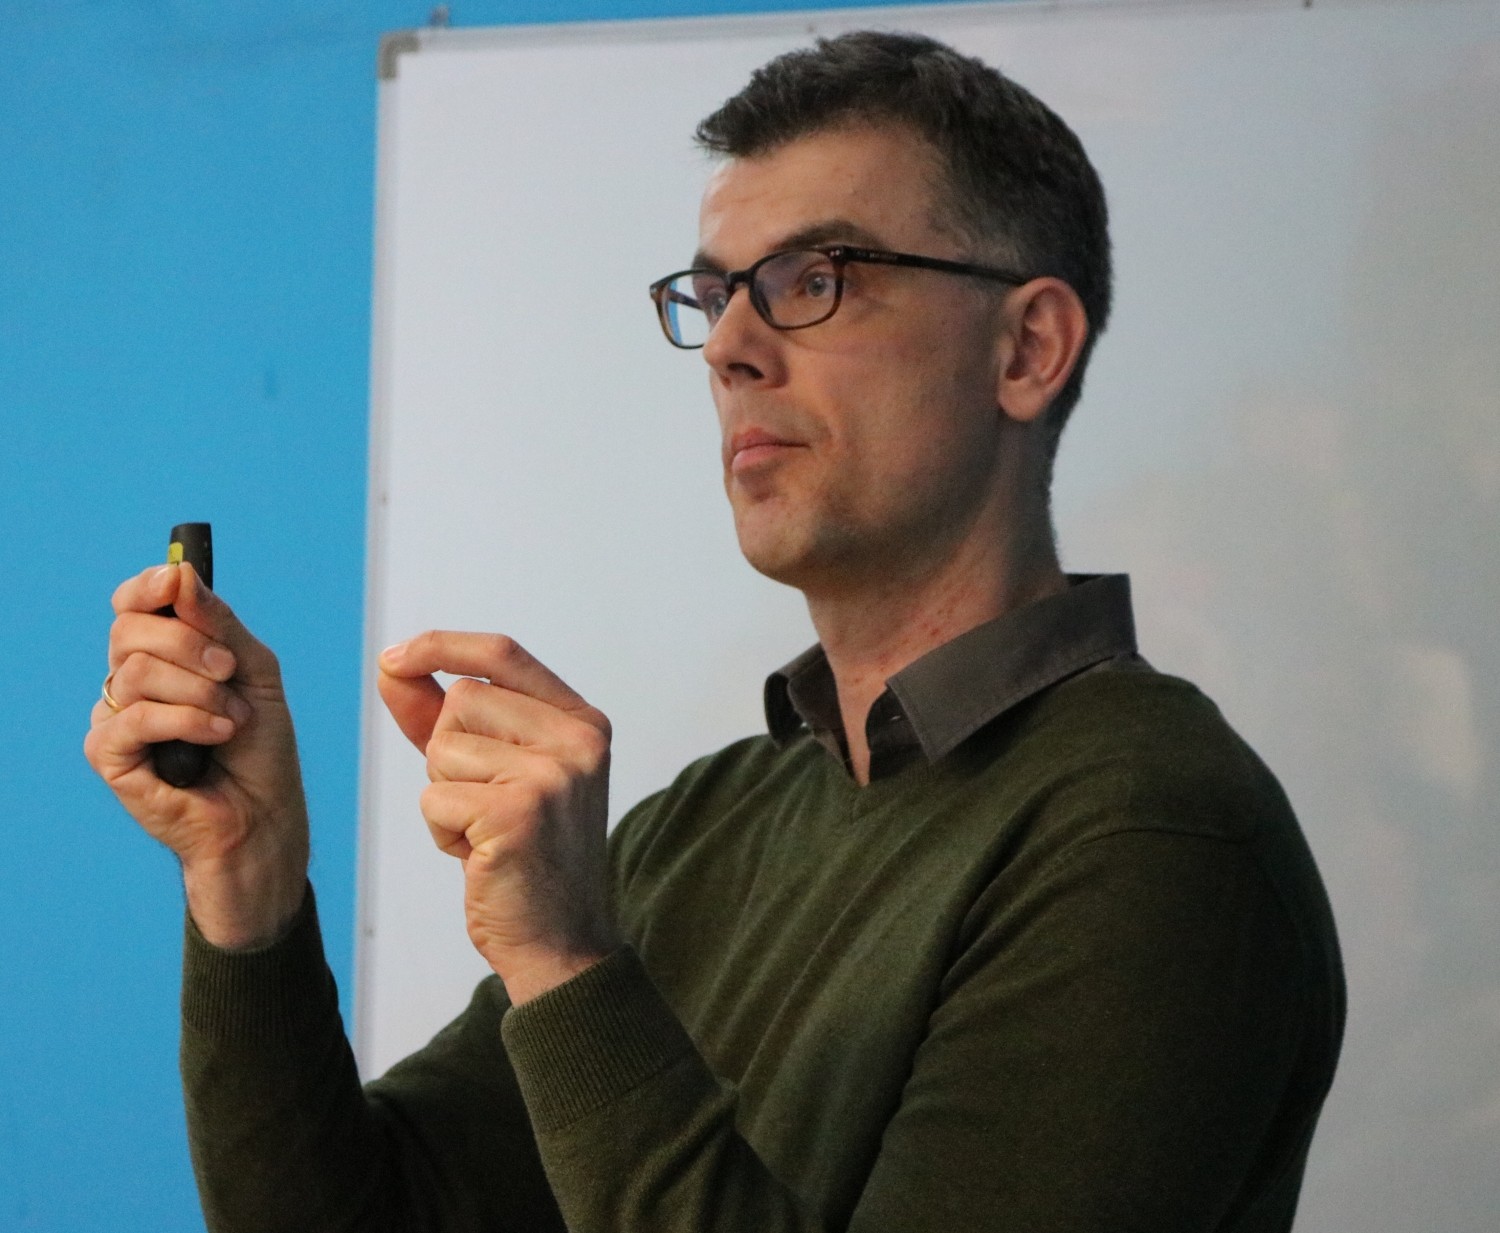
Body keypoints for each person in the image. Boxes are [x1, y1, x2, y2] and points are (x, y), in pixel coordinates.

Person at [85, 30, 1344, 1233]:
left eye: (815, 280)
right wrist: (248, 886)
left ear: (1027, 349)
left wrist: (567, 962)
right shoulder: (707, 823)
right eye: (714, 294)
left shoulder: (1152, 835)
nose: (731, 347)